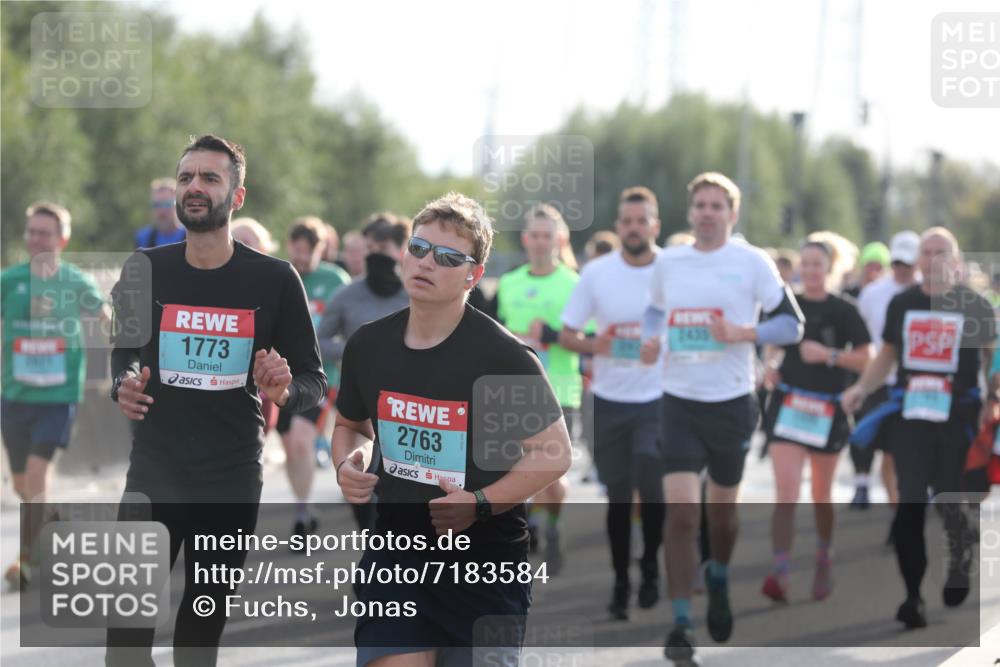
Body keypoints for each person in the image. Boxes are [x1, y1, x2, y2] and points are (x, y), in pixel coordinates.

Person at [105, 134, 326, 667]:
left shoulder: (275, 279)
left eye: (210, 177)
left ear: (237, 195)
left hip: (229, 479)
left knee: (197, 642)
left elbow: (313, 381)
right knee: (125, 644)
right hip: (154, 472)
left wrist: (284, 390)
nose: (194, 187)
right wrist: (124, 384)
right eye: (186, 177)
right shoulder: (144, 267)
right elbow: (124, 353)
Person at [333, 191, 571, 667]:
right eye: (419, 248)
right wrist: (348, 461)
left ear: (473, 275)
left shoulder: (501, 357)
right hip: (397, 554)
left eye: (446, 257)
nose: (426, 263)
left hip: (485, 567)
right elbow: (351, 425)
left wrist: (479, 502)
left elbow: (554, 452)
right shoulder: (370, 345)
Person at [640, 172, 804, 664]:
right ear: (690, 212)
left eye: (717, 206)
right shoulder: (670, 262)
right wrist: (650, 339)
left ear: (732, 214)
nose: (708, 213)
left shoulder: (751, 262)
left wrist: (743, 332)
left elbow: (792, 325)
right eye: (701, 205)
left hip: (731, 403)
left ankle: (718, 575)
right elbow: (654, 312)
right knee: (682, 514)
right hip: (678, 401)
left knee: (721, 515)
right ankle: (682, 622)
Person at [842, 227, 996, 629]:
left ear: (956, 260)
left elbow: (991, 358)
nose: (932, 259)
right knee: (909, 502)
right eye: (926, 252)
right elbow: (888, 355)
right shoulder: (903, 303)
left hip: (958, 418)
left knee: (950, 500)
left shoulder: (975, 306)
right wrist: (861, 388)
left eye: (941, 252)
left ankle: (960, 556)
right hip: (911, 417)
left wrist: (993, 399)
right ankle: (913, 596)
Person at [560, 186, 666, 620]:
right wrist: (596, 345)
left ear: (655, 225)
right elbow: (568, 334)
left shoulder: (672, 271)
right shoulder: (598, 273)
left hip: (657, 398)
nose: (634, 228)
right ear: (618, 226)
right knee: (619, 496)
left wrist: (664, 346)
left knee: (652, 483)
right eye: (627, 221)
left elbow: (690, 326)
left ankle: (651, 565)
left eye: (642, 221)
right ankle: (622, 581)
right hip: (609, 400)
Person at [2, 201, 110, 590]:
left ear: (62, 239)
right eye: (32, 232)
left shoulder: (74, 281)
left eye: (44, 233)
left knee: (36, 474)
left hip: (58, 396)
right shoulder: (10, 280)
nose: (36, 239)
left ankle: (27, 560)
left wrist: (114, 329)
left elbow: (103, 313)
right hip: (14, 396)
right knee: (21, 484)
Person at [760, 240, 872, 603]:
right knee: (787, 493)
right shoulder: (787, 305)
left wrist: (829, 355)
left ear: (829, 268)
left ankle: (824, 557)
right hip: (788, 406)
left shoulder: (844, 310)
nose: (809, 270)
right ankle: (780, 572)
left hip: (827, 410)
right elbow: (771, 345)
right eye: (804, 263)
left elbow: (867, 359)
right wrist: (771, 367)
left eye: (816, 264)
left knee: (820, 495)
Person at [495, 203, 582, 569]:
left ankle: (553, 524)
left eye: (548, 235)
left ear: (559, 239)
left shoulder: (574, 284)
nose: (541, 242)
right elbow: (497, 332)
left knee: (552, 477)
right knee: (513, 470)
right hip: (513, 392)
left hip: (560, 391)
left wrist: (551, 336)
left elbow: (588, 339)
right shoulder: (509, 282)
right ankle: (525, 528)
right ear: (525, 239)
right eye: (535, 235)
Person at [317, 213, 411, 530]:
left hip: (409, 402)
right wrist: (357, 352)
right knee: (361, 485)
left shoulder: (414, 294)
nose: (374, 254)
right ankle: (373, 541)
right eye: (369, 247)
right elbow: (320, 340)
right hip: (361, 402)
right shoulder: (347, 294)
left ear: (400, 250)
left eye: (382, 247)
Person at [278, 216, 351, 542]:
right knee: (291, 448)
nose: (302, 257)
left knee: (301, 440)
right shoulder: (281, 275)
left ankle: (302, 514)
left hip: (320, 377)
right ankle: (303, 506)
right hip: (280, 377)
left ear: (321, 249)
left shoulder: (335, 280)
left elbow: (350, 329)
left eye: (309, 251)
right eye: (297, 249)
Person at [849, 231, 920, 510]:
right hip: (880, 380)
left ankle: (906, 504)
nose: (902, 268)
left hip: (916, 385)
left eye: (908, 263)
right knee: (884, 450)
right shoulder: (873, 293)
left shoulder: (929, 293)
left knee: (904, 452)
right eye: (897, 262)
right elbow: (864, 338)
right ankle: (893, 505)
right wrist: (860, 384)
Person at [134, 178, 187, 248]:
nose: (161, 211)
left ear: (178, 205)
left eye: (166, 204)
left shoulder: (190, 236)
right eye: (156, 205)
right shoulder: (143, 238)